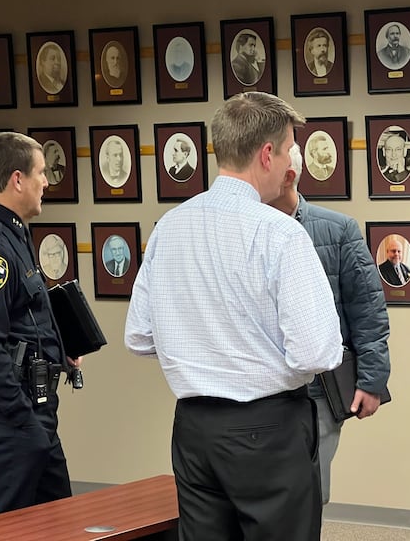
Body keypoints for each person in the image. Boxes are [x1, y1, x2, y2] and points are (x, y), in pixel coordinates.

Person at [124, 91, 343, 540]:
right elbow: (315, 352)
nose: (290, 165)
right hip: (270, 429)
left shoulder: (169, 226)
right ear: (267, 154)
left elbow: (140, 337)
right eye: (287, 151)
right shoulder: (281, 234)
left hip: (193, 429)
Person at [0, 131, 81, 513]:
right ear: (16, 179)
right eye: (40, 173)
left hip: (31, 414)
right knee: (7, 531)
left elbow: (24, 316)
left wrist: (62, 346)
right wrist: (24, 419)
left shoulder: (13, 234)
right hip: (7, 418)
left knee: (59, 522)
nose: (47, 182)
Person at [268, 144, 391, 505]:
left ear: (287, 176)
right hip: (257, 391)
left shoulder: (336, 230)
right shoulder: (240, 230)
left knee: (309, 494)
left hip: (317, 393)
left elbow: (368, 310)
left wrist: (372, 382)